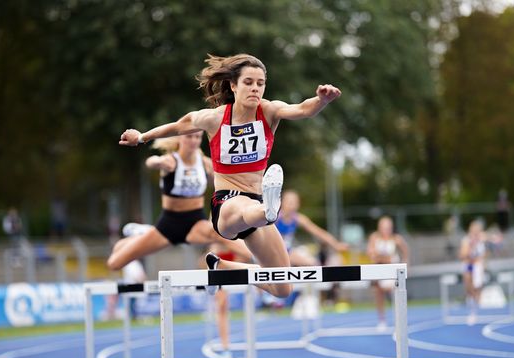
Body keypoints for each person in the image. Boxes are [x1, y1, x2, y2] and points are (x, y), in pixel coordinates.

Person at [119, 53, 341, 298]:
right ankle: (269, 208)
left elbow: (302, 109)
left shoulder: (269, 111)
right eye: (248, 82)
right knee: (249, 209)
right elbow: (179, 125)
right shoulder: (215, 118)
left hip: (257, 208)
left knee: (282, 287)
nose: (255, 88)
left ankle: (222, 267)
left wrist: (322, 100)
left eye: (260, 83)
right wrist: (141, 137)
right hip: (227, 204)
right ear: (233, 85)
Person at [107, 132, 249, 271]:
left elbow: (225, 180)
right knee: (114, 264)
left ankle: (260, 262)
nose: (193, 141)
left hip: (196, 223)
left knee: (224, 237)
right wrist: (158, 162)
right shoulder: (171, 161)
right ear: (180, 138)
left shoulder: (204, 163)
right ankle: (143, 234)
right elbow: (150, 162)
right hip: (168, 226)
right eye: (189, 136)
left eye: (197, 137)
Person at [276, 190, 348, 265]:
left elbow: (318, 232)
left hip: (287, 251)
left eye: (295, 203)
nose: (292, 205)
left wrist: (335, 244)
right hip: (273, 251)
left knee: (312, 262)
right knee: (308, 262)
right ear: (281, 202)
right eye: (289, 202)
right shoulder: (275, 218)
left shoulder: (298, 218)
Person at [366, 216, 409, 331]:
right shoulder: (374, 238)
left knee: (396, 294)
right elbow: (371, 254)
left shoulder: (396, 239)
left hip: (392, 270)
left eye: (388, 227)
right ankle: (382, 320)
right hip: (378, 270)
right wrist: (385, 258)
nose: (386, 230)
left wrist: (405, 265)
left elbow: (405, 252)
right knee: (378, 293)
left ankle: (399, 320)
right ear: (379, 227)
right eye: (383, 227)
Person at [459, 219, 502, 325]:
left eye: (477, 229)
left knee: (476, 287)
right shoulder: (466, 240)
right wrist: (470, 248)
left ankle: (474, 310)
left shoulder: (483, 237)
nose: (475, 231)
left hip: (478, 266)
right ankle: (471, 301)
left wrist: (494, 239)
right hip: (469, 265)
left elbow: (495, 241)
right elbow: (462, 255)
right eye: (473, 228)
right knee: (469, 286)